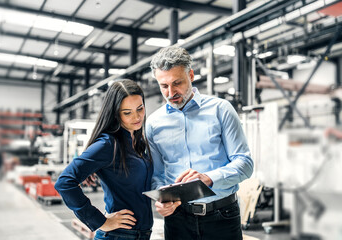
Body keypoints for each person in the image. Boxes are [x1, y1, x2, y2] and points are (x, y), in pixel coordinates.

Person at [146, 46, 254, 240]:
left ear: (191, 75)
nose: (171, 93)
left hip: (221, 216)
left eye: (177, 83)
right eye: (164, 86)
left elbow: (245, 164)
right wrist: (162, 200)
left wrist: (209, 178)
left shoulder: (221, 110)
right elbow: (158, 174)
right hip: (177, 220)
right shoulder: (153, 123)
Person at [55, 79, 153, 240]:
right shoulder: (108, 144)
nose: (137, 117)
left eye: (140, 108)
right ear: (115, 113)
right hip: (118, 235)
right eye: (127, 112)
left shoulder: (138, 142)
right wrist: (99, 221)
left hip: (140, 234)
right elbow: (64, 182)